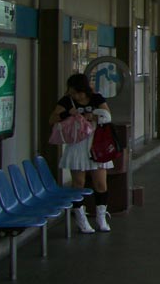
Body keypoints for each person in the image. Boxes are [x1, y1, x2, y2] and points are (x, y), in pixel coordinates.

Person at [48, 73, 113, 233]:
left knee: (101, 183)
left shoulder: (96, 98)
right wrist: (69, 113)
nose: (76, 96)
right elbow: (52, 119)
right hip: (76, 145)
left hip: (96, 144)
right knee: (78, 183)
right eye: (73, 92)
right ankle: (80, 218)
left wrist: (94, 116)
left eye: (78, 92)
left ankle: (101, 217)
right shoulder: (66, 101)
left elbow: (108, 116)